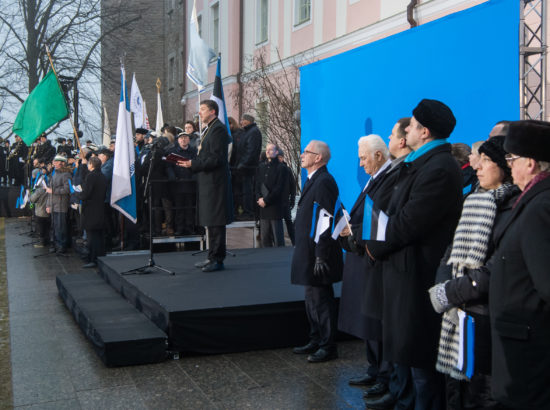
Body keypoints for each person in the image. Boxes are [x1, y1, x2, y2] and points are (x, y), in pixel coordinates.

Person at [364, 99, 463, 410]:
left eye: (412, 126)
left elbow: (407, 223)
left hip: (419, 276)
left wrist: (374, 246)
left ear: (425, 131)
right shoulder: (421, 163)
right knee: (410, 361)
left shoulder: (438, 168)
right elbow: (391, 209)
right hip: (405, 272)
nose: (406, 130)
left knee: (423, 370)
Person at [429, 136, 519, 409]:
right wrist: (441, 288)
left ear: (504, 167)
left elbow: (494, 269)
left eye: (486, 160)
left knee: (482, 394)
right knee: (455, 389)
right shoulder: (473, 201)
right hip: (458, 315)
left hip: (485, 317)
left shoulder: (512, 207)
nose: (476, 167)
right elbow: (450, 252)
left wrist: (450, 293)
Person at [489, 120, 550, 409]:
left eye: (512, 159)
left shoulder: (541, 206)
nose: (508, 166)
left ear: (532, 163)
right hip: (517, 340)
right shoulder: (531, 200)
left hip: (530, 345)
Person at [338, 135, 393, 400]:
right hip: (361, 256)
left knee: (376, 322)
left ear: (379, 156)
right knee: (367, 320)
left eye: (363, 158)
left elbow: (381, 220)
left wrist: (354, 230)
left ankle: (384, 375)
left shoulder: (387, 179)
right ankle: (374, 368)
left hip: (374, 259)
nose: (360, 164)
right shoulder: (373, 179)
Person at [291, 140, 343, 363]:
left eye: (307, 152)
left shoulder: (324, 182)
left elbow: (325, 218)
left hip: (317, 253)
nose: (302, 155)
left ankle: (328, 345)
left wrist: (321, 254)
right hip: (308, 250)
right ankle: (315, 337)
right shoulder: (313, 180)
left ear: (318, 158)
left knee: (322, 300)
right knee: (311, 298)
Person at [181, 100, 233, 272]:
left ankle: (218, 259)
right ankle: (211, 256)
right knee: (210, 222)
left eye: (203, 109)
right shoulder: (208, 129)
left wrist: (193, 165)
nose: (199, 113)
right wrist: (192, 163)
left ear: (213, 111)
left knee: (216, 221)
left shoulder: (218, 129)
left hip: (215, 183)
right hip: (207, 182)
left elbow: (216, 159)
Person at [255, 143, 286, 247]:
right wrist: (259, 199)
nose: (267, 151)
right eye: (267, 149)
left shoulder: (281, 168)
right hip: (263, 207)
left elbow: (279, 188)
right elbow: (257, 184)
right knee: (265, 239)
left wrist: (266, 200)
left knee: (278, 239)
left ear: (276, 152)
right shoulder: (261, 167)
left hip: (274, 207)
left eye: (271, 150)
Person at [167, 132, 198, 235]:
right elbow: (169, 166)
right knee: (179, 207)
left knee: (189, 207)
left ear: (189, 140)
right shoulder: (172, 152)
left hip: (190, 184)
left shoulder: (193, 151)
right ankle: (179, 228)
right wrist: (172, 176)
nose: (183, 140)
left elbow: (197, 165)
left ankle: (190, 228)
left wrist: (194, 176)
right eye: (181, 138)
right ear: (178, 140)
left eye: (185, 138)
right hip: (178, 184)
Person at [81, 156, 108, 268]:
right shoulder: (102, 176)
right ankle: (99, 257)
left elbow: (87, 193)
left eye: (88, 164)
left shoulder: (91, 176)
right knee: (98, 235)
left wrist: (79, 195)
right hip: (100, 207)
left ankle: (93, 258)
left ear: (91, 165)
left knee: (92, 236)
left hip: (91, 209)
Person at [237, 114, 263, 219]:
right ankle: (246, 211)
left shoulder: (254, 132)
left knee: (248, 191)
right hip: (245, 167)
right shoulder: (248, 132)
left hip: (249, 168)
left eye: (242, 120)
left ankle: (249, 212)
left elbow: (251, 151)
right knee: (245, 190)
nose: (241, 122)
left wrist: (243, 164)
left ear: (248, 121)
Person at [46, 154, 72, 255]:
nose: (54, 163)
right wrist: (48, 205)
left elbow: (67, 189)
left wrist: (54, 191)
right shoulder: (54, 173)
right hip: (54, 204)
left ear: (62, 163)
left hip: (61, 205)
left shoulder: (66, 174)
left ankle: (62, 246)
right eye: (54, 161)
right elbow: (49, 191)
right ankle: (56, 244)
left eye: (56, 162)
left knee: (61, 227)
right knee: (55, 227)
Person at [277, 148, 296, 245]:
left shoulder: (287, 170)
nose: (280, 159)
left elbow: (292, 185)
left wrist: (292, 198)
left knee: (289, 222)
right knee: (278, 223)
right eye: (278, 157)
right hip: (276, 202)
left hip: (285, 201)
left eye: (281, 157)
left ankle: (294, 242)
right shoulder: (274, 169)